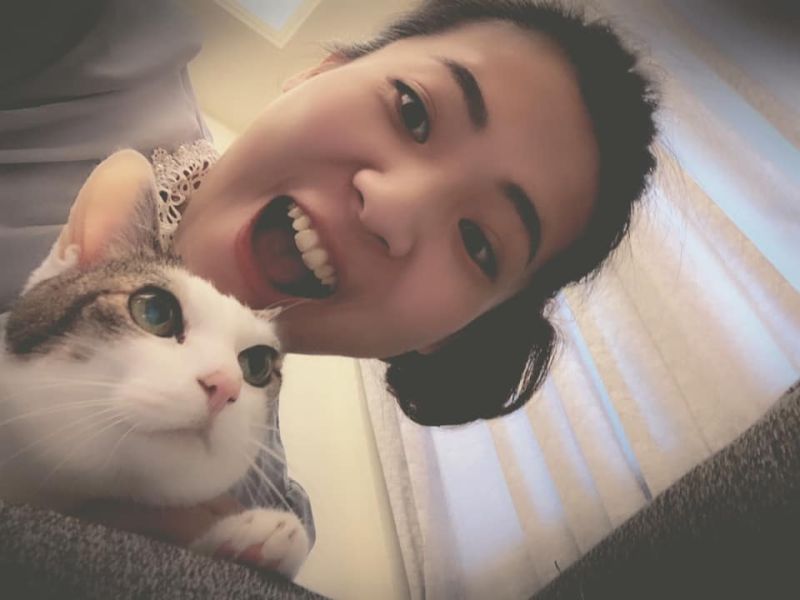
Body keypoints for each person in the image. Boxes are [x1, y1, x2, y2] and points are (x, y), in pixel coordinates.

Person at [0, 0, 657, 563]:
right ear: (318, 74)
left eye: (479, 243)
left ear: (450, 336)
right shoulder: (104, 39)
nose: (391, 209)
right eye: (413, 111)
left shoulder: (253, 526)